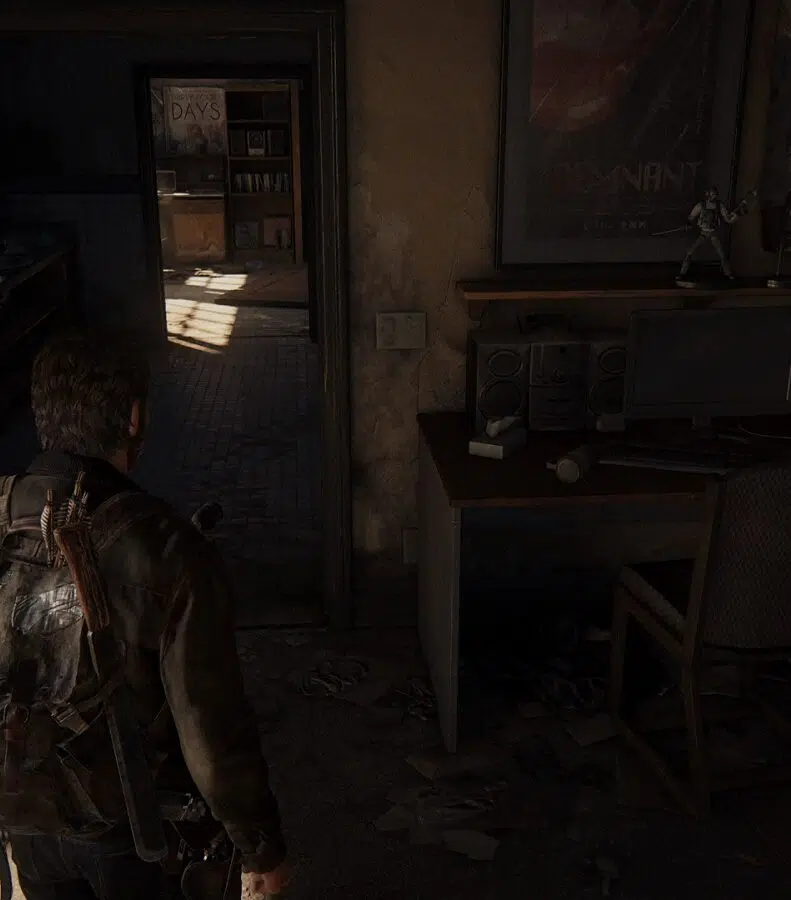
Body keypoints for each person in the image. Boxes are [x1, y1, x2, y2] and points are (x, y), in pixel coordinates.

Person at [1, 330, 290, 899]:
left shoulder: (4, 513)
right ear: (134, 417)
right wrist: (261, 846)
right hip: (136, 833)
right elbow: (209, 724)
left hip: (24, 817)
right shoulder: (170, 549)